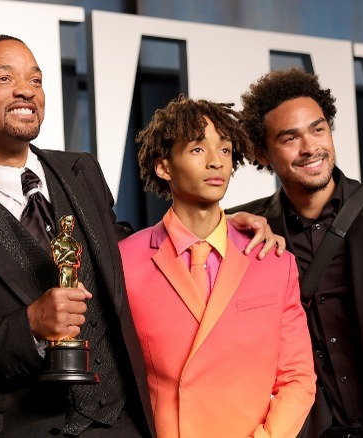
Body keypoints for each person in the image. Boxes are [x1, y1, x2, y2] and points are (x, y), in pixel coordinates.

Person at [0, 34, 281, 437]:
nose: (27, 90)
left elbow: (129, 253)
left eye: (36, 80)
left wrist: (219, 225)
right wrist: (28, 327)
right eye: (5, 79)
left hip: (123, 423)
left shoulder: (82, 172)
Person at [228, 68, 363, 437]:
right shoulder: (247, 232)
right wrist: (223, 229)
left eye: (318, 129)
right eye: (290, 138)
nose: (310, 147)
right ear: (262, 153)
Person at [119, 96, 315, 437]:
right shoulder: (124, 260)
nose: (216, 163)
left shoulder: (273, 261)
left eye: (225, 150)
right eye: (198, 150)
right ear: (163, 166)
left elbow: (297, 377)